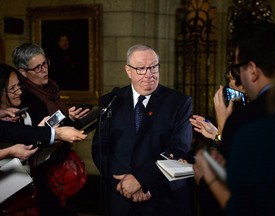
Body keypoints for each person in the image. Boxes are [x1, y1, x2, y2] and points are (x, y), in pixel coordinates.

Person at [194, 20, 275, 216]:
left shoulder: (245, 120)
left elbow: (236, 203)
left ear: (253, 70)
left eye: (239, 67)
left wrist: (205, 177)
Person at [92, 44, 193, 216]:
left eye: (153, 67)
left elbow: (178, 149)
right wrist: (124, 184)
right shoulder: (112, 101)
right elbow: (100, 148)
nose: (149, 74)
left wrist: (141, 181)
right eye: (141, 68)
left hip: (161, 199)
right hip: (119, 198)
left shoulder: (179, 103)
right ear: (128, 70)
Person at [12, 42, 89, 216]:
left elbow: (56, 120)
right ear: (23, 72)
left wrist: (68, 115)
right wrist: (52, 130)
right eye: (37, 68)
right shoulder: (24, 97)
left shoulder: (50, 89)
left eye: (45, 63)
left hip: (61, 163)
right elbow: (28, 134)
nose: (44, 70)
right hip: (42, 170)